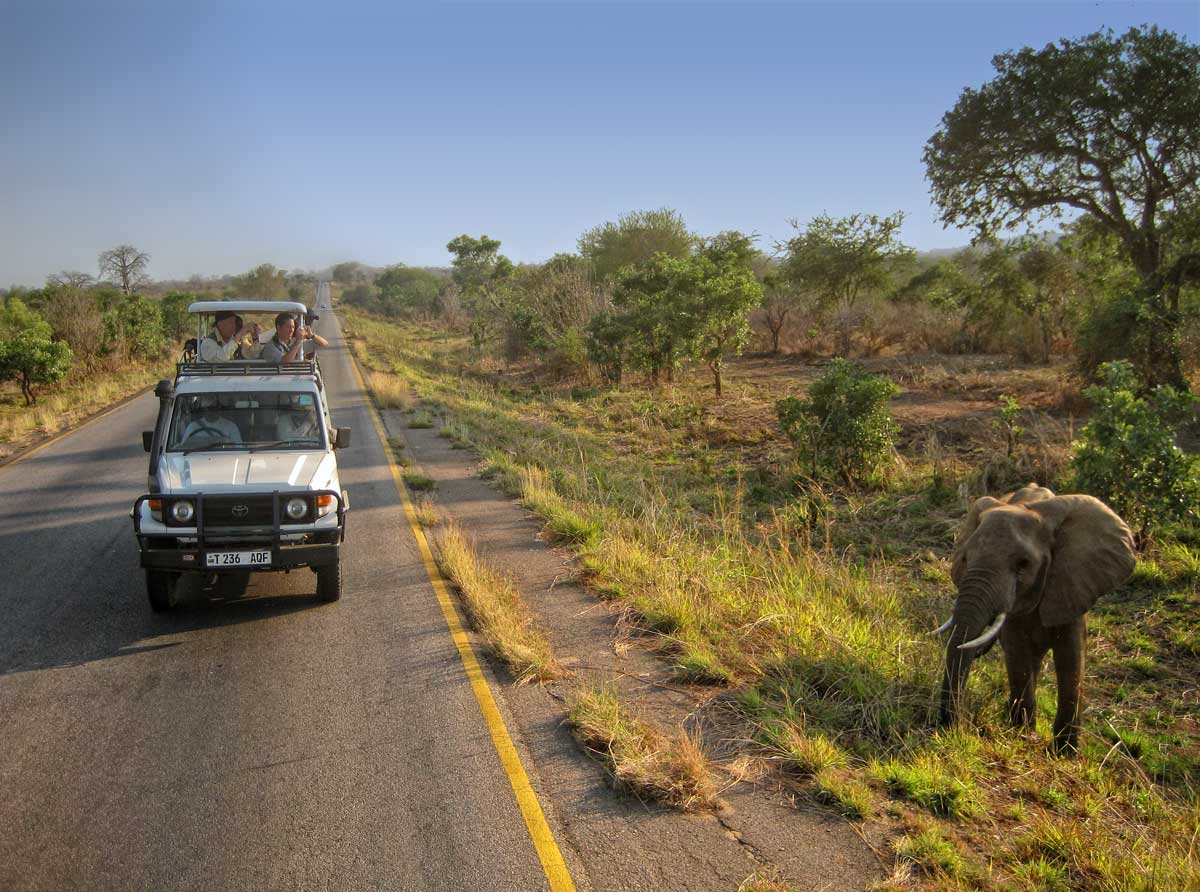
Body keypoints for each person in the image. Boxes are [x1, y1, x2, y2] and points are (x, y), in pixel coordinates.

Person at [259, 313, 329, 363]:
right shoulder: (270, 347)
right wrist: (298, 342)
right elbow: (286, 362)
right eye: (288, 327)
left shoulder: (294, 342)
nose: (291, 330)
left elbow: (324, 344)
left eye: (293, 327)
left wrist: (311, 335)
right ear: (278, 327)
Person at [199, 311, 263, 362]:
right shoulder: (208, 342)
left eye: (234, 323)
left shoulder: (236, 340)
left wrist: (255, 338)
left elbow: (252, 356)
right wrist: (240, 334)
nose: (234, 326)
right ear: (220, 324)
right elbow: (220, 359)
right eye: (230, 323)